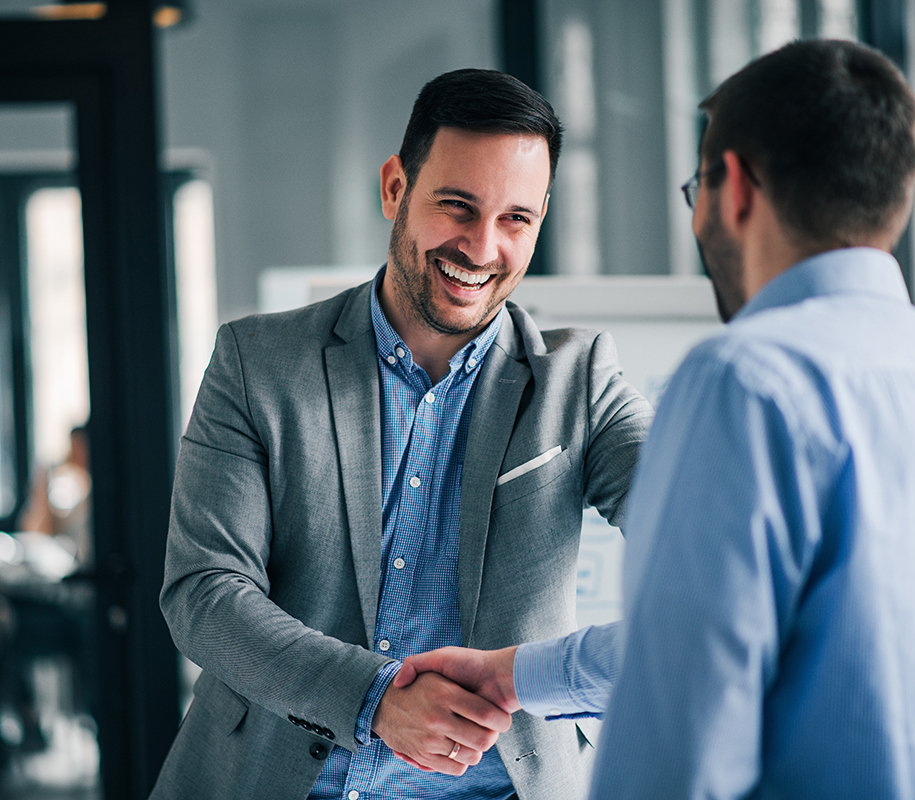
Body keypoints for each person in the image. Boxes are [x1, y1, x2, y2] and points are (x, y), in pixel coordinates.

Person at [396, 39, 915, 798]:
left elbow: (679, 716)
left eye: (697, 189)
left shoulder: (746, 381)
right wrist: (515, 675)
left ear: (735, 189)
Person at [150, 68, 652, 800]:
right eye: (457, 206)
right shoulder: (257, 363)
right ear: (395, 188)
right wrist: (375, 698)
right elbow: (204, 593)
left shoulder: (581, 382)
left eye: (517, 219)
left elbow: (708, 549)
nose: (482, 248)